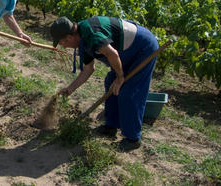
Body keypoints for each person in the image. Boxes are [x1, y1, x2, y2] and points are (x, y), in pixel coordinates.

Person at [50, 16, 159, 151]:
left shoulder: (91, 33)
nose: (63, 46)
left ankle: (133, 139)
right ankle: (110, 126)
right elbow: (89, 69)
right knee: (110, 83)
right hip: (124, 52)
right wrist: (70, 89)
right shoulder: (82, 41)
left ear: (69, 37)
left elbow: (112, 54)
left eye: (62, 43)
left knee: (129, 92)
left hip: (143, 48)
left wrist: (120, 78)